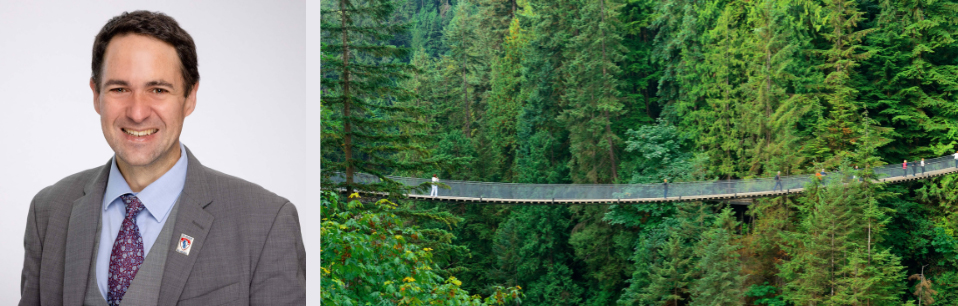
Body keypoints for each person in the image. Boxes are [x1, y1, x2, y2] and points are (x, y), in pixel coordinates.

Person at [18, 11, 306, 305]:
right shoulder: (50, 212)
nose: (137, 112)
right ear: (96, 95)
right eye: (120, 89)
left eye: (158, 89)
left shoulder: (266, 222)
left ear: (190, 97)